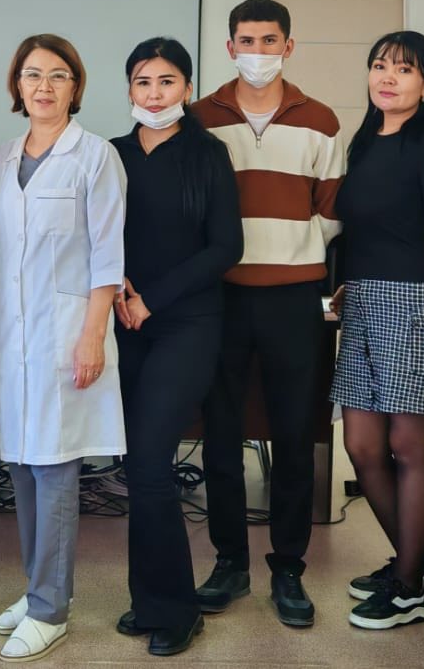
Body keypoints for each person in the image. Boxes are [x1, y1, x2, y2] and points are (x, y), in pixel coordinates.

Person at [189, 0, 343, 628]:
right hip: (219, 297)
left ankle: (289, 567)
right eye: (246, 41)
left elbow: (331, 210)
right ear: (230, 48)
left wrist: (292, 249)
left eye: (269, 40)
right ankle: (229, 562)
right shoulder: (199, 118)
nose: (258, 52)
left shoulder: (321, 120)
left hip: (293, 298)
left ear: (288, 46)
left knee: (295, 434)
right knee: (221, 433)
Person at [0, 33, 127, 663]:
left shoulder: (95, 156)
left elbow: (107, 255)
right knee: (20, 463)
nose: (44, 86)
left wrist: (92, 334)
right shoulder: (4, 155)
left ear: (76, 86)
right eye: (32, 75)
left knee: (55, 468)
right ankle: (36, 588)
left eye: (58, 75)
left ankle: (51, 609)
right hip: (12, 337)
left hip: (67, 334)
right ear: (17, 86)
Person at [330, 30, 424, 630]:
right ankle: (415, 563)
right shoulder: (364, 143)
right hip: (362, 303)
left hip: (415, 306)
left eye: (404, 69)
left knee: (411, 450)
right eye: (380, 65)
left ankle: (409, 586)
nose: (388, 77)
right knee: (362, 447)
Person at [110, 38, 242, 657]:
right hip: (121, 322)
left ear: (187, 88)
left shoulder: (208, 153)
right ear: (129, 89)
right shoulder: (110, 154)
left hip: (186, 322)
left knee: (149, 463)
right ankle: (149, 601)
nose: (155, 93)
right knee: (138, 467)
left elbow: (226, 248)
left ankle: (177, 609)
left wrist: (151, 299)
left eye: (167, 82)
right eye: (144, 82)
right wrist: (118, 291)